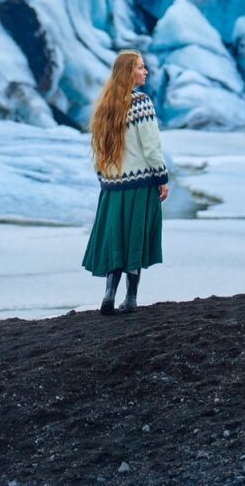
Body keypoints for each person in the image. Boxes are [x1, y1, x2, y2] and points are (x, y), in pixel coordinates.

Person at [82, 49, 169, 314]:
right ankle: (130, 299)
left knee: (115, 239)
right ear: (128, 72)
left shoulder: (104, 107)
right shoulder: (141, 103)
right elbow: (151, 147)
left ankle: (109, 295)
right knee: (134, 239)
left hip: (112, 187)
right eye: (141, 67)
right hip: (139, 183)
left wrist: (105, 179)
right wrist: (162, 178)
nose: (146, 72)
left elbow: (98, 151)